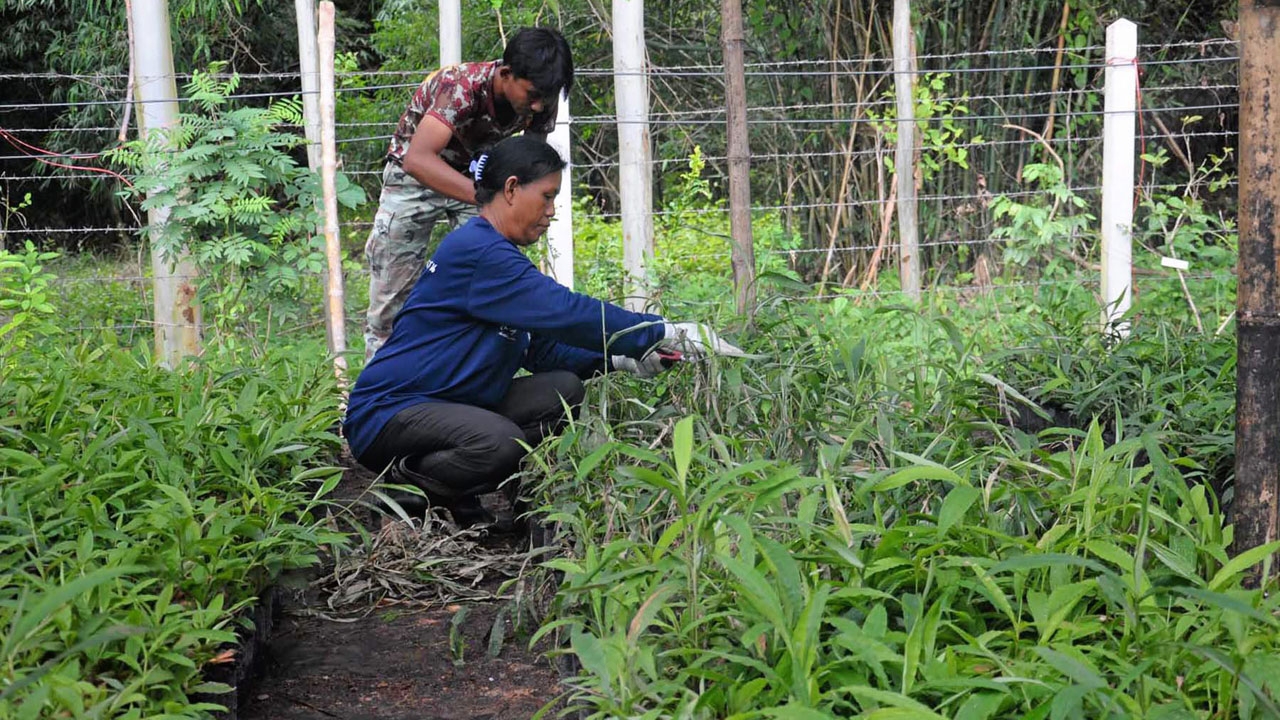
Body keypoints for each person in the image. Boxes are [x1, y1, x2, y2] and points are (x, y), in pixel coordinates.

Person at [343, 136, 739, 528]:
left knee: (562, 391)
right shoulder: (479, 251)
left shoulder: (495, 256)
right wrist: (660, 332)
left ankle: (503, 501)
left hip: (449, 405)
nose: (551, 211)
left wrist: (621, 357)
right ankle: (408, 486)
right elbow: (566, 312)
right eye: (547, 196)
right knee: (496, 442)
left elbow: (543, 350)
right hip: (389, 413)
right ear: (512, 188)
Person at [363, 26, 575, 359]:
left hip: (478, 175)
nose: (536, 106)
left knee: (496, 273)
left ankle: (473, 371)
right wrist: (485, 197)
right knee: (393, 289)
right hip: (415, 176)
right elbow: (418, 159)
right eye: (531, 95)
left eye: (545, 98)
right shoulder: (459, 87)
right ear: (505, 74)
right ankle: (376, 392)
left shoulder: (540, 98)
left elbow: (531, 166)